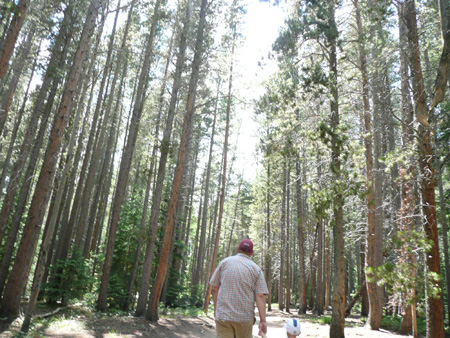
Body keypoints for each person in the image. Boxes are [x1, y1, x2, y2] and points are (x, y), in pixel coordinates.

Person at [210, 238, 269, 338]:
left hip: (223, 317)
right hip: (244, 319)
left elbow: (215, 289)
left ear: (238, 250)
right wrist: (263, 321)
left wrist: (216, 311)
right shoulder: (256, 269)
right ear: (252, 253)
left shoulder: (224, 263)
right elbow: (260, 295)